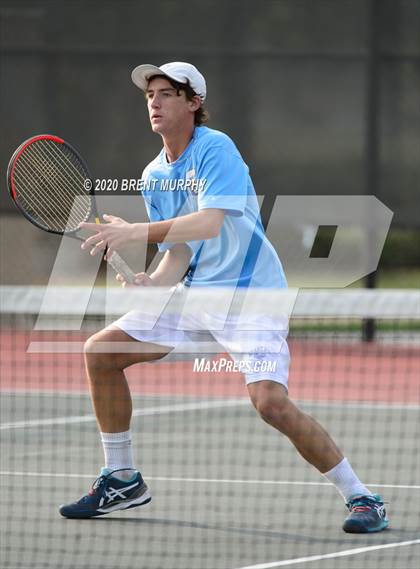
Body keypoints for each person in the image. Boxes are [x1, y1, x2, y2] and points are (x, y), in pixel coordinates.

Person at [59, 62, 388, 533]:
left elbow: (210, 221)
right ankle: (122, 477)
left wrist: (136, 231)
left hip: (251, 296)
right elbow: (180, 251)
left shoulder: (216, 150)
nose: (154, 101)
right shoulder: (154, 174)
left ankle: (362, 497)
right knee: (102, 351)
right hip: (196, 297)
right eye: (150, 94)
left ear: (193, 103)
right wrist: (153, 280)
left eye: (168, 93)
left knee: (270, 404)